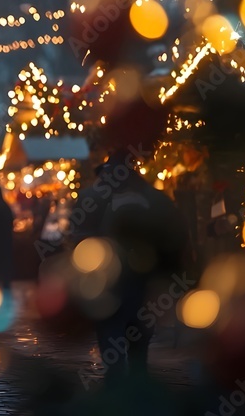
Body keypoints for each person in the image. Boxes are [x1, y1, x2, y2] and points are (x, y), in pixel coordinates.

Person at [71, 150, 186, 386]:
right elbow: (174, 243)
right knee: (138, 342)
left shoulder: (92, 196)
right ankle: (135, 386)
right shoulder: (155, 199)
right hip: (142, 282)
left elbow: (78, 237)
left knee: (111, 337)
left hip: (108, 282)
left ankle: (118, 388)